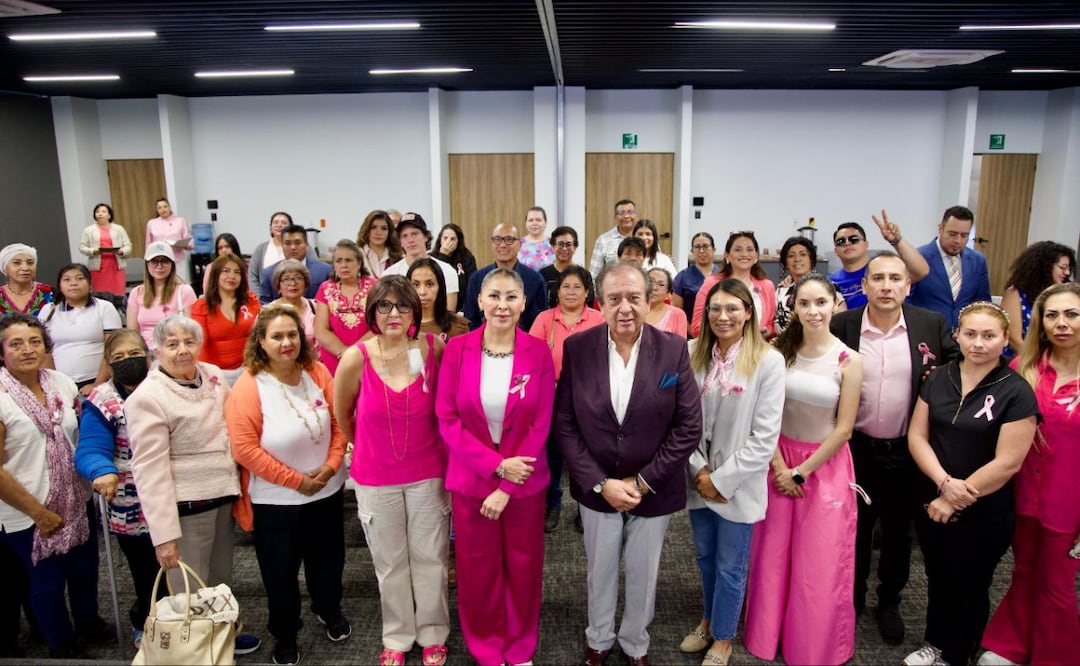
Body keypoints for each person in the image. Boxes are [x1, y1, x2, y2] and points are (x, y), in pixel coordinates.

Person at [555, 262, 702, 666]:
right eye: (615, 298)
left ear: (650, 300)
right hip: (597, 486)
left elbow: (689, 426)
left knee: (644, 571)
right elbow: (564, 423)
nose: (625, 308)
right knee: (599, 569)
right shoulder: (578, 348)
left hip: (654, 486)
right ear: (599, 304)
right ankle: (599, 639)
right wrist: (601, 482)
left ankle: (636, 642)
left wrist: (642, 482)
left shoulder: (673, 348)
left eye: (634, 298)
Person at [830, 252, 959, 644]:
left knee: (899, 533)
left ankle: (889, 602)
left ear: (908, 285)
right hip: (855, 448)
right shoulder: (843, 325)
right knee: (854, 530)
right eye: (878, 278)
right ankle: (850, 600)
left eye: (895, 278)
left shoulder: (930, 324)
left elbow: (957, 370)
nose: (886, 286)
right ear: (864, 285)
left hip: (908, 449)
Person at [904, 302, 1037, 666]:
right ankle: (934, 642)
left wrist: (956, 497)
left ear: (1005, 340)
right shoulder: (938, 378)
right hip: (933, 498)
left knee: (971, 583)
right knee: (937, 574)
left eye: (989, 336)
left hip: (985, 508)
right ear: (957, 336)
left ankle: (957, 654)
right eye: (971, 334)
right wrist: (943, 483)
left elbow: (1008, 462)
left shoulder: (1016, 391)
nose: (978, 343)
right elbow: (917, 436)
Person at [437, 268, 556, 666]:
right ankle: (486, 646)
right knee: (478, 570)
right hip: (472, 479)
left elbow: (541, 422)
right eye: (494, 296)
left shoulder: (538, 351)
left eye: (511, 297)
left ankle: (519, 646)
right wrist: (496, 467)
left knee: (523, 567)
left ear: (524, 303)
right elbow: (448, 419)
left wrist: (508, 485)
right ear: (480, 301)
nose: (502, 305)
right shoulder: (457, 350)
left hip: (524, 482)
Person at [744, 273, 863, 666]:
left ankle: (810, 647)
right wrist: (780, 467)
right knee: (771, 555)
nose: (813, 311)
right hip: (776, 458)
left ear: (835, 305)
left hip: (823, 467)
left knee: (819, 561)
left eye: (821, 303)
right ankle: (765, 636)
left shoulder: (849, 360)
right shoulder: (778, 351)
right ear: (793, 308)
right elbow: (764, 414)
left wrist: (801, 472)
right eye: (804, 304)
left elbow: (844, 429)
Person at [124, 315, 261, 656]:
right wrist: (164, 537)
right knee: (188, 590)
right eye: (172, 344)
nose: (182, 350)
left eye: (189, 342)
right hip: (185, 508)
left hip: (222, 496)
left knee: (219, 579)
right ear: (156, 350)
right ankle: (196, 652)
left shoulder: (211, 374)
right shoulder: (148, 397)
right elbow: (149, 470)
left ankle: (221, 637)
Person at [226, 305, 350, 666]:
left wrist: (330, 466)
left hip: (326, 490)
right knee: (280, 573)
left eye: (292, 334)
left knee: (329, 561)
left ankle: (328, 609)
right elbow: (244, 449)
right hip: (275, 501)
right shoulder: (249, 385)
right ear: (261, 342)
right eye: (277, 336)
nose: (286, 343)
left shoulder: (317, 371)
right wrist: (296, 481)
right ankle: (285, 633)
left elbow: (340, 421)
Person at [336, 277, 450, 666]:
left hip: (428, 473)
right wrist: (371, 447)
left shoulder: (434, 348)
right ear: (372, 312)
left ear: (415, 311)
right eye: (384, 306)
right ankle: (398, 637)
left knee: (431, 558)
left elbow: (449, 407)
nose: (394, 313)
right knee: (390, 564)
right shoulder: (356, 357)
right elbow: (343, 415)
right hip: (375, 476)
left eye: (402, 305)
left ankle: (433, 633)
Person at [680, 279, 785, 666]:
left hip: (737, 485)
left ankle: (724, 637)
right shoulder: (691, 353)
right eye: (715, 308)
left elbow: (765, 438)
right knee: (705, 557)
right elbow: (682, 420)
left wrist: (720, 480)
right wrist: (699, 470)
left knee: (730, 566)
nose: (722, 316)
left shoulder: (768, 361)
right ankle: (708, 619)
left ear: (748, 313)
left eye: (732, 308)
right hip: (698, 475)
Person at [980, 283, 1080, 666]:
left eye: (1071, 314)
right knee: (1023, 570)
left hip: (1069, 505)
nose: (1061, 323)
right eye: (1052, 315)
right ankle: (1012, 643)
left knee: (1057, 584)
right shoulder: (1023, 369)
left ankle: (1056, 656)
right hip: (1022, 495)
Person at [0, 314, 109, 659]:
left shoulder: (61, 382)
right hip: (28, 509)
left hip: (76, 498)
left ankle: (88, 623)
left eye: (35, 342)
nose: (27, 350)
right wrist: (39, 513)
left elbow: (80, 435)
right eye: (16, 344)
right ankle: (62, 645)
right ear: (2, 352)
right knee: (47, 582)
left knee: (84, 570)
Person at [74, 329, 157, 649]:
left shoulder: (165, 384)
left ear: (147, 356)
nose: (128, 361)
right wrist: (102, 470)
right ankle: (146, 621)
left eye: (134, 354)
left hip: (177, 493)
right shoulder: (102, 399)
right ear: (108, 364)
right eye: (118, 357)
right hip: (130, 499)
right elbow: (90, 448)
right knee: (146, 571)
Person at [529, 266, 605, 532]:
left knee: (586, 456)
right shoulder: (544, 319)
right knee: (551, 456)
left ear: (587, 292)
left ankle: (587, 508)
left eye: (577, 287)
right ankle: (553, 504)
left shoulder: (598, 319)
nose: (571, 292)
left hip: (588, 399)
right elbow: (531, 357)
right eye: (565, 286)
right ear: (557, 291)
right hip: (550, 396)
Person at [38, 263, 122, 394]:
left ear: (90, 284)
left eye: (79, 278)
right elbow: (44, 351)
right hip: (61, 384)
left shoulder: (105, 307)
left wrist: (97, 384)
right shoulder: (48, 310)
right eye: (67, 279)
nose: (73, 283)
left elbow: (113, 349)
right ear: (60, 286)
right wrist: (55, 386)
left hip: (100, 382)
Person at [908, 205, 991, 329]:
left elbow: (983, 302)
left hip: (964, 334)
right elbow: (906, 299)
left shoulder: (977, 261)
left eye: (964, 235)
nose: (958, 241)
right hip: (926, 331)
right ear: (940, 229)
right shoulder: (918, 257)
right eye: (952, 234)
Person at [829, 211, 930, 310]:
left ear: (866, 244)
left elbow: (921, 271)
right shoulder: (830, 282)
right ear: (836, 251)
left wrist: (896, 240)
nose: (847, 243)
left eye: (854, 239)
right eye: (841, 241)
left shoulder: (887, 269)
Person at [690, 232, 777, 339]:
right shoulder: (711, 284)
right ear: (727, 255)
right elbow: (697, 327)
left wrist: (761, 333)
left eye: (749, 249)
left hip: (756, 346)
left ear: (756, 255)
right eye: (738, 249)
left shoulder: (767, 286)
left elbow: (771, 325)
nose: (744, 254)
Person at [462, 222, 547, 332]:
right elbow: (470, 319)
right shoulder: (477, 279)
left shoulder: (535, 280)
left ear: (520, 244)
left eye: (509, 239)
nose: (503, 245)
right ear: (492, 243)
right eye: (497, 239)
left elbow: (539, 322)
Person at [190, 254, 260, 384]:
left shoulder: (251, 301)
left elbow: (257, 337)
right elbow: (200, 345)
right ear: (216, 274)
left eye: (237, 272)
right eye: (226, 271)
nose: (232, 276)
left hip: (249, 369)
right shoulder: (201, 307)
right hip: (215, 374)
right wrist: (207, 377)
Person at [1000, 240, 1075, 354]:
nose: (1067, 273)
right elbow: (1014, 340)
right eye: (1062, 267)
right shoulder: (1015, 293)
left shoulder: (1061, 295)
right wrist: (1036, 362)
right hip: (1022, 357)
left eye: (1069, 268)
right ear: (1045, 267)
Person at [314, 239, 377, 374]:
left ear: (359, 263)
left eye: (348, 260)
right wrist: (344, 353)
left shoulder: (375, 287)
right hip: (335, 358)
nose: (344, 265)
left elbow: (378, 325)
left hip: (368, 356)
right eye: (338, 261)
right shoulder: (325, 289)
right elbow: (320, 330)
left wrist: (353, 352)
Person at [126, 241, 197, 349]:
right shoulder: (136, 293)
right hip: (146, 352)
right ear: (147, 264)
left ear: (172, 265)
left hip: (175, 351)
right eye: (154, 261)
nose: (159, 266)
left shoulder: (184, 291)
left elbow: (193, 331)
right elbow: (132, 334)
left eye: (164, 261)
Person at [384, 213, 460, 312]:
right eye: (404, 236)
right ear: (400, 241)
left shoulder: (447, 271)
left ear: (426, 236)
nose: (410, 240)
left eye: (415, 234)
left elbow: (449, 313)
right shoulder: (389, 275)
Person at [259, 224, 332, 303]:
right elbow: (265, 304)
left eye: (297, 243)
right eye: (287, 243)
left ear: (306, 245)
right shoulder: (269, 273)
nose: (293, 247)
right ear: (282, 245)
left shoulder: (325, 271)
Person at [248, 212, 316, 291]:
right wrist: (258, 296)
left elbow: (316, 269)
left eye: (284, 223)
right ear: (270, 227)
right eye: (276, 222)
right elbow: (252, 276)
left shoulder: (305, 247)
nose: (279, 225)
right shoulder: (261, 249)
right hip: (268, 294)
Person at [408, 258, 469, 341]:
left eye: (429, 284)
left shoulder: (457, 327)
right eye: (416, 285)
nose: (422, 292)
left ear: (440, 287)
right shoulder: (400, 325)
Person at [78, 203, 132, 295]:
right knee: (100, 294)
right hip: (97, 267)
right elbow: (82, 247)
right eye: (97, 212)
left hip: (116, 266)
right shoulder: (88, 230)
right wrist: (93, 251)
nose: (100, 214)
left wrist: (122, 251)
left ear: (109, 215)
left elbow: (128, 245)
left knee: (118, 294)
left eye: (103, 212)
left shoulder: (119, 229)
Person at [539, 226, 595, 308]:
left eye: (568, 244)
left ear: (575, 247)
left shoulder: (584, 275)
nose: (564, 248)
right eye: (560, 244)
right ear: (552, 247)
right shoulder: (542, 274)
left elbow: (589, 302)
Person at [774, 236, 820, 334]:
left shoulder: (825, 287)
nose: (797, 259)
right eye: (791, 256)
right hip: (782, 342)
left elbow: (838, 322)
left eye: (803, 254)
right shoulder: (781, 290)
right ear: (786, 263)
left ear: (811, 260)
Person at [269, 259, 318, 348]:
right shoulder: (267, 311)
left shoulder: (316, 307)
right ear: (278, 285)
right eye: (286, 279)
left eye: (298, 278)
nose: (292, 283)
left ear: (305, 283)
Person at [672, 232, 719, 323]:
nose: (701, 251)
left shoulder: (723, 275)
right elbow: (677, 312)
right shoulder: (682, 277)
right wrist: (692, 330)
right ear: (692, 251)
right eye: (697, 247)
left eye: (705, 246)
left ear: (714, 250)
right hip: (690, 328)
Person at [144, 197, 192, 283]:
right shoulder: (152, 223)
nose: (163, 209)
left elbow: (189, 241)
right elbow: (148, 244)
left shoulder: (180, 221)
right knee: (162, 284)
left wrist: (183, 244)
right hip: (159, 261)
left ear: (169, 207)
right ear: (157, 210)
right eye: (160, 208)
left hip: (177, 259)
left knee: (180, 284)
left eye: (165, 206)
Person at [0, 244, 53, 316]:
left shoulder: (50, 294)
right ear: (5, 268)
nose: (25, 268)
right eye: (17, 263)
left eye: (30, 263)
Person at [589, 199, 637, 278]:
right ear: (615, 217)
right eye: (622, 213)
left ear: (635, 215)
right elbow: (594, 274)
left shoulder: (644, 238)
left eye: (630, 212)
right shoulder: (603, 240)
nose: (626, 216)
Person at [432, 223, 478, 299]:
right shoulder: (432, 258)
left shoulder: (467, 258)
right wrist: (443, 256)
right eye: (445, 238)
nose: (448, 242)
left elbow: (472, 284)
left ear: (458, 241)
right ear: (440, 240)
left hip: (462, 302)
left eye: (452, 239)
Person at [357, 209, 403, 279]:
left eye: (384, 228)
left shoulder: (398, 258)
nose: (378, 232)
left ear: (389, 232)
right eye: (373, 227)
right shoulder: (356, 255)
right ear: (366, 229)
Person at [644, 268, 687, 337]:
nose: (654, 288)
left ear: (668, 293)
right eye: (650, 281)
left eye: (661, 285)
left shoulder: (677, 315)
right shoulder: (633, 310)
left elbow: (681, 343)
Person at [517, 206, 555, 271]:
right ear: (526, 223)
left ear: (545, 223)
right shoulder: (518, 243)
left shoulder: (553, 243)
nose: (534, 223)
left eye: (538, 220)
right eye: (530, 220)